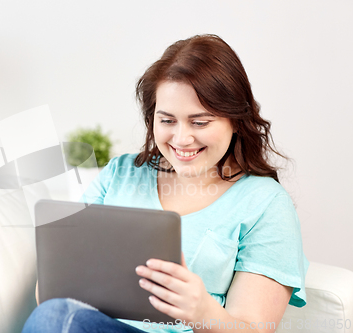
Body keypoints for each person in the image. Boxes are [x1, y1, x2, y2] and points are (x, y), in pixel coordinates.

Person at [22, 34, 308, 333]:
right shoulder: (120, 174)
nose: (182, 139)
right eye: (167, 120)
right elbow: (51, 294)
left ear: (235, 119)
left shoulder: (265, 203)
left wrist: (202, 312)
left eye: (200, 122)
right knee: (55, 316)